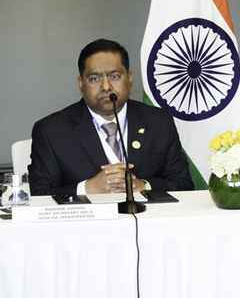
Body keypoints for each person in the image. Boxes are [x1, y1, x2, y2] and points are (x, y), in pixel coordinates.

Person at [29, 39, 193, 196]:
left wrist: (144, 186)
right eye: (94, 78)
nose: (106, 86)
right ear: (81, 84)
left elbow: (184, 185)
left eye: (114, 76)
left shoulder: (159, 122)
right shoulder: (51, 131)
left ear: (130, 78)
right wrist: (88, 188)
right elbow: (39, 194)